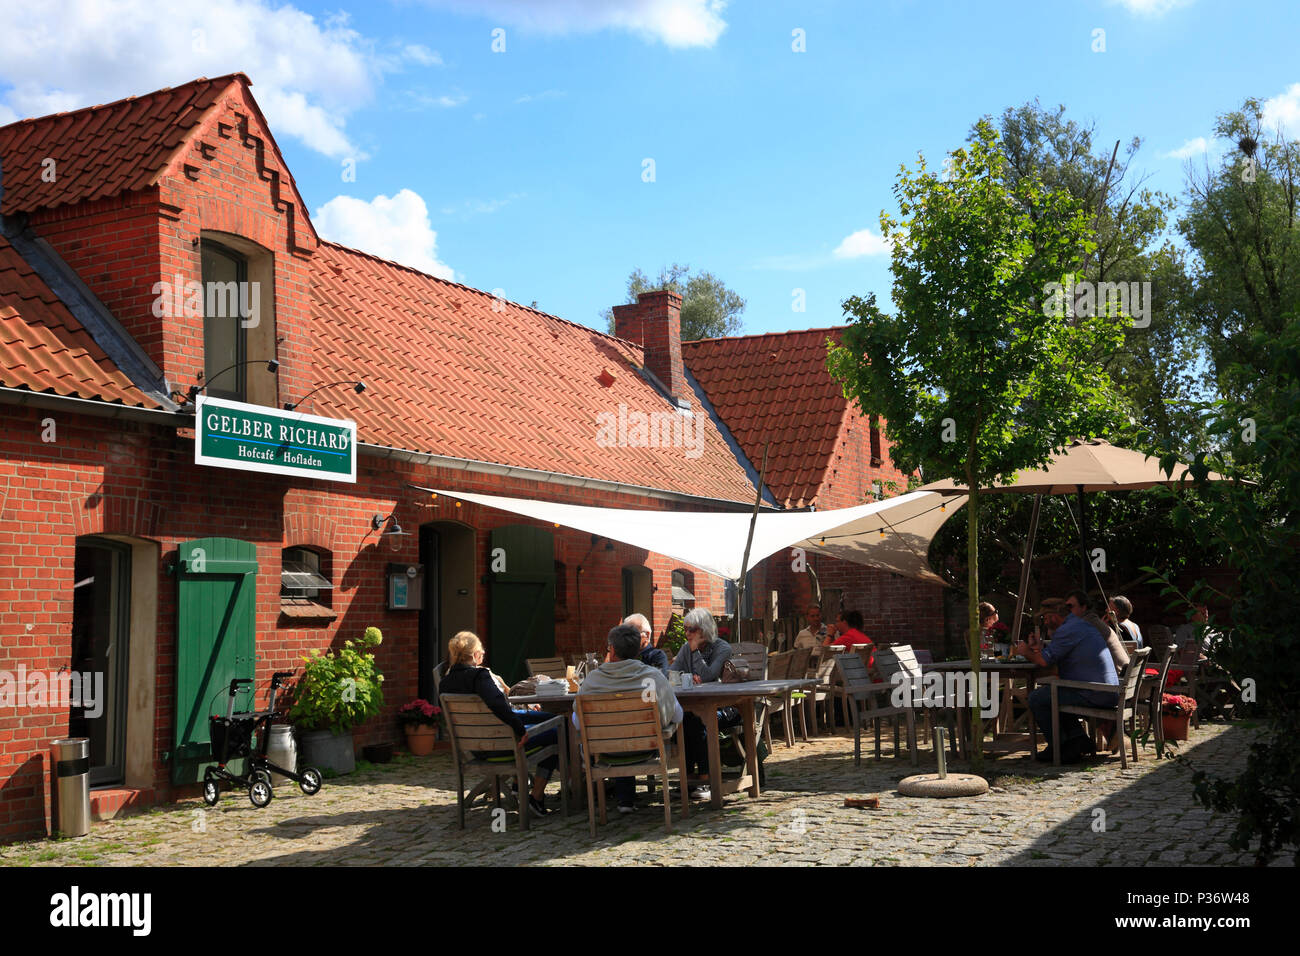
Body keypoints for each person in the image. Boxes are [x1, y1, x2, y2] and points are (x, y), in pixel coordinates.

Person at [440, 630, 558, 818]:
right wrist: (520, 730)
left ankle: (518, 786)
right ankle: (536, 797)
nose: (484, 654)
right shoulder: (480, 677)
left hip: (473, 748)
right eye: (482, 650)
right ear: (476, 655)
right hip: (500, 746)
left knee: (548, 719)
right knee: (556, 731)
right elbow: (497, 703)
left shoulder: (445, 683)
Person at [577, 623, 682, 814]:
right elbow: (677, 714)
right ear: (637, 649)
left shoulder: (592, 681)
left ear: (613, 649)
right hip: (645, 749)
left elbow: (578, 722)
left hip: (605, 752)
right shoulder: (653, 677)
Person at [1015, 589, 1119, 764]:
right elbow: (1051, 656)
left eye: (1046, 618)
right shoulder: (1077, 625)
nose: (1045, 622)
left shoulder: (1067, 630)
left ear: (1054, 617)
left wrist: (1025, 651)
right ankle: (1078, 740)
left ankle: (1059, 747)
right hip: (1104, 689)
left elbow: (1043, 662)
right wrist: (1038, 649)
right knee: (1053, 693)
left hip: (1094, 692)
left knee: (1037, 698)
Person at [668, 607, 735, 800]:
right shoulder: (684, 648)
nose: (687, 633)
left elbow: (708, 675)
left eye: (691, 629)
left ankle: (705, 780)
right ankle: (689, 781)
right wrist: (684, 676)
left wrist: (695, 651)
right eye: (686, 629)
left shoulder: (722, 648)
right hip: (693, 707)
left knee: (699, 722)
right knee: (684, 720)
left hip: (723, 706)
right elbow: (671, 674)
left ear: (703, 630)